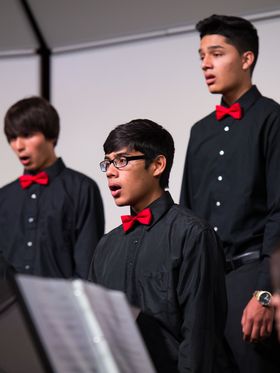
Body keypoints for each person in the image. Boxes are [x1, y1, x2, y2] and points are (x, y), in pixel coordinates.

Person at [89, 119, 237, 373]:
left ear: (157, 164)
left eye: (122, 161)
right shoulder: (106, 246)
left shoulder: (193, 234)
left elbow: (200, 336)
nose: (111, 171)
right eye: (107, 163)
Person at [180, 14, 280, 372]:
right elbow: (187, 218)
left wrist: (266, 295)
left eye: (217, 53)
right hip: (206, 290)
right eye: (202, 56)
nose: (206, 63)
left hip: (254, 283)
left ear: (246, 58)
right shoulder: (199, 132)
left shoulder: (272, 119)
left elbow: (279, 214)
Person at [0, 96, 104, 279]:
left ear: (51, 135)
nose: (18, 146)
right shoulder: (4, 197)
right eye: (12, 137)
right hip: (10, 306)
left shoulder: (82, 189)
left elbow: (87, 266)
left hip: (62, 306)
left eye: (27, 135)